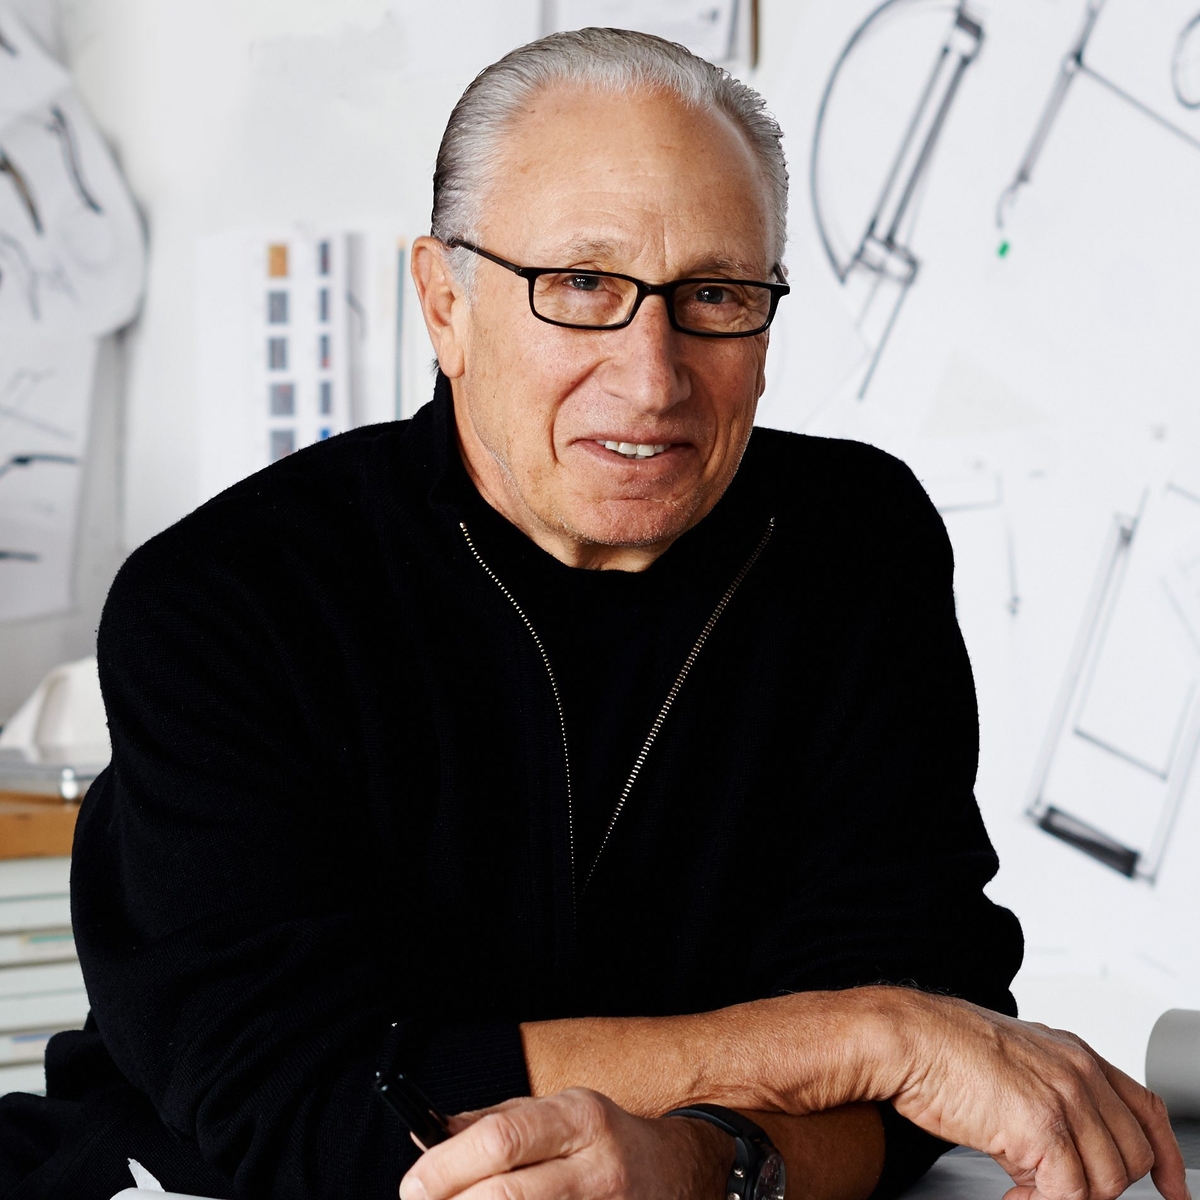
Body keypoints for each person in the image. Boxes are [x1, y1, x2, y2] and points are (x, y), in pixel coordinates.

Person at [0, 27, 1185, 1200]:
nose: (653, 376)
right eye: (579, 285)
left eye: (715, 294)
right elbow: (318, 1110)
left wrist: (718, 1159)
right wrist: (861, 1036)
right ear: (443, 302)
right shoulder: (224, 600)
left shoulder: (856, 543)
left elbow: (928, 1063)